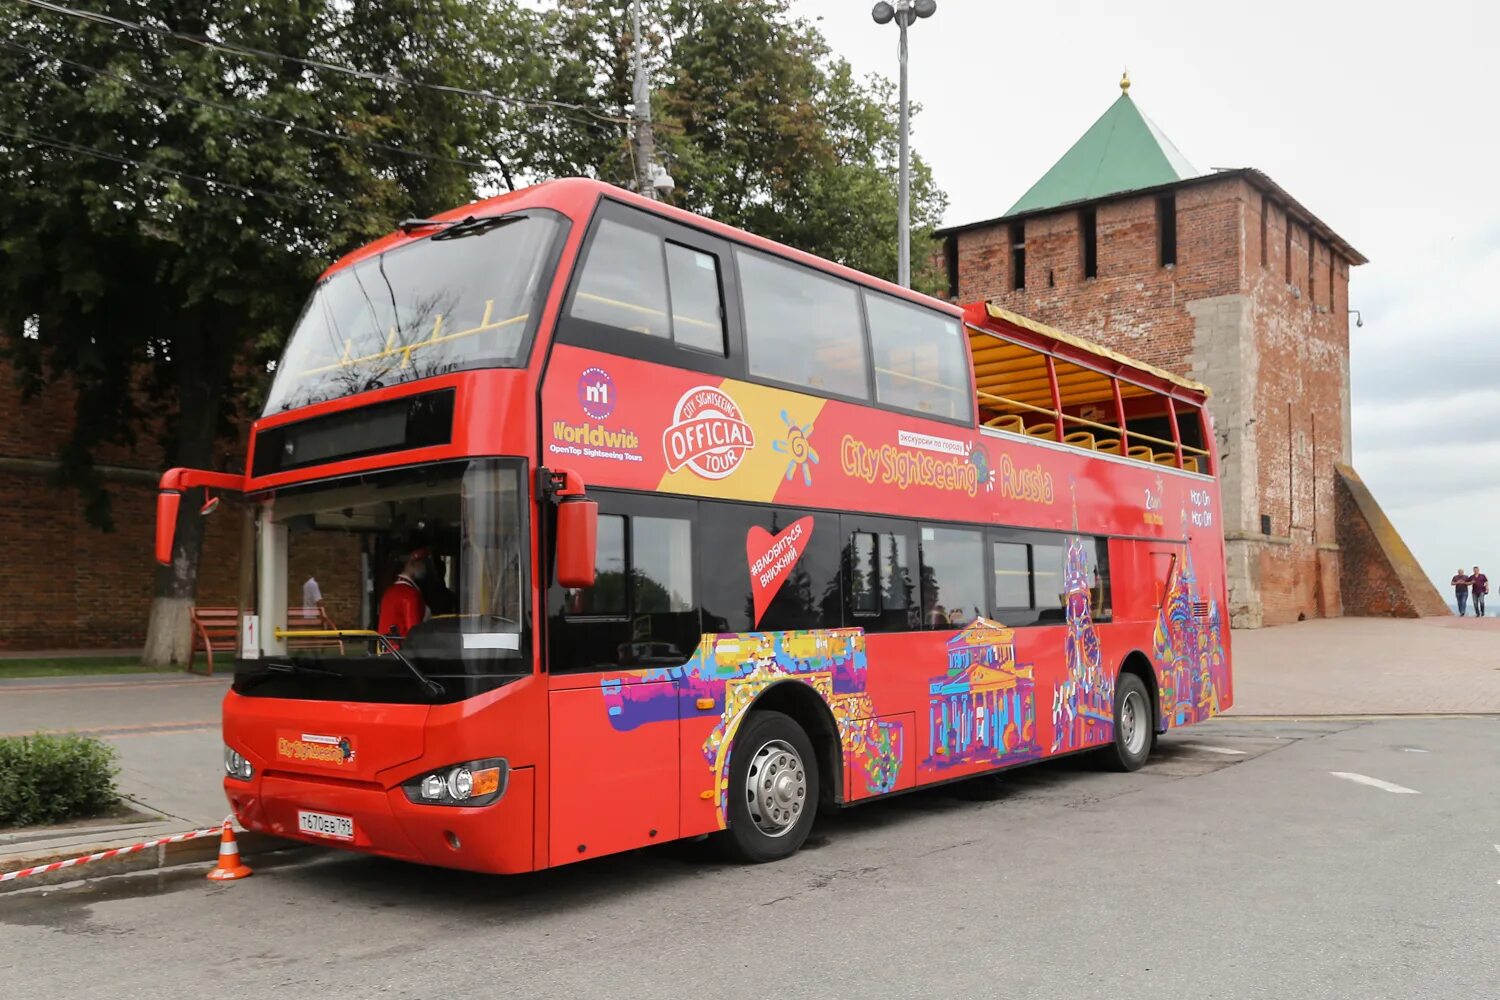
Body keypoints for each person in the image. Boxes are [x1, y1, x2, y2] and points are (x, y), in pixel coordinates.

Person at [378, 547, 430, 639]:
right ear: (411, 564)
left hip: (387, 648)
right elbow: (414, 632)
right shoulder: (409, 594)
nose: (424, 567)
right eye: (421, 562)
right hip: (402, 650)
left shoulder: (389, 591)